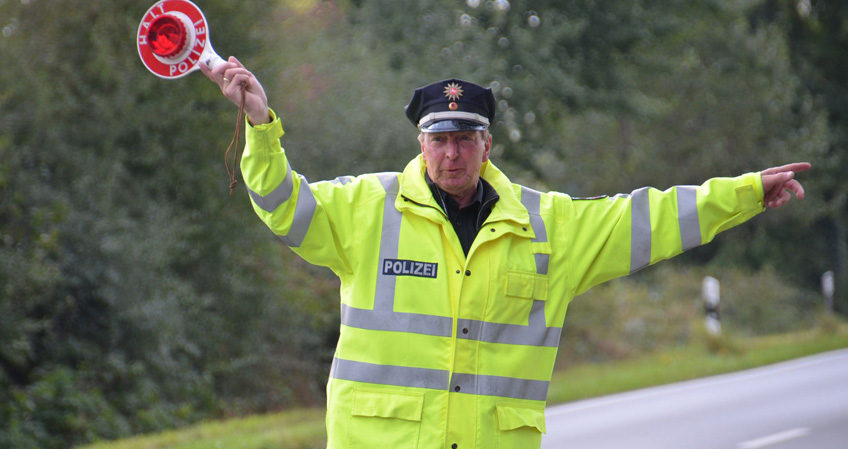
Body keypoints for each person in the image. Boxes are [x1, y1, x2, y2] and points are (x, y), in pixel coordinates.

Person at [202, 57, 810, 449]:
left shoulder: (549, 227)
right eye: (439, 139)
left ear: (486, 145)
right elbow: (284, 206)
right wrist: (260, 126)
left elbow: (649, 217)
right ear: (420, 143)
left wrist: (747, 193)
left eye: (465, 139)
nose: (451, 154)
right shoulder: (367, 209)